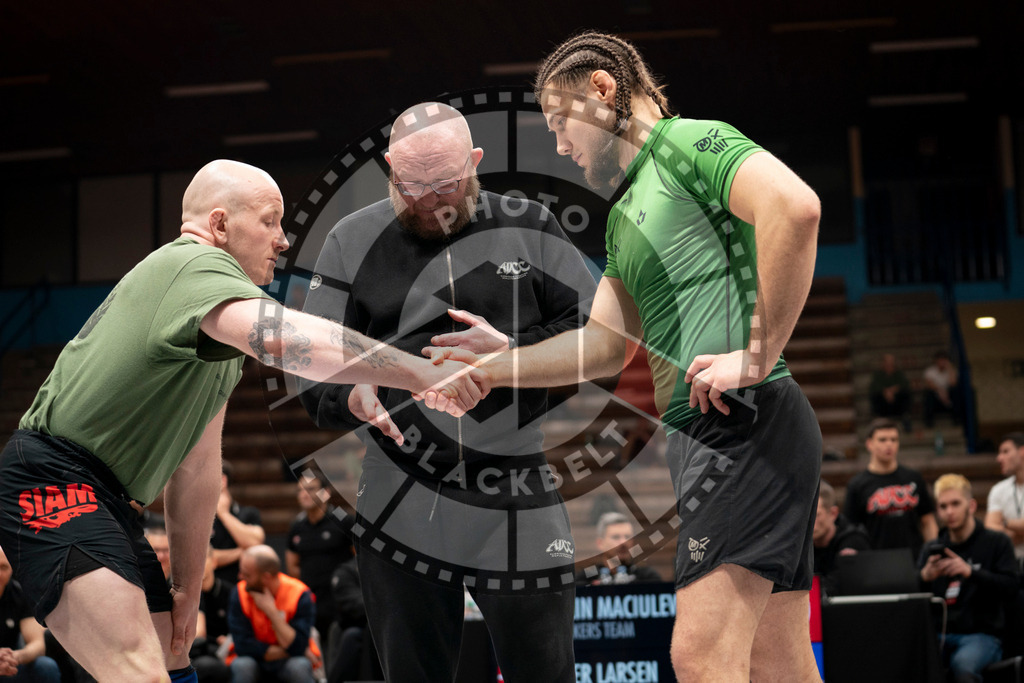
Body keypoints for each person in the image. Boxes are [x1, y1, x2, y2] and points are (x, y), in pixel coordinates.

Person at [0, 159, 485, 683]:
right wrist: (417, 371)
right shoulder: (191, 264)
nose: (283, 240)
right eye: (270, 220)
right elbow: (282, 339)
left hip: (112, 498)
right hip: (52, 480)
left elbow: (198, 466)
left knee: (173, 656)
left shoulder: (219, 340)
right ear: (218, 225)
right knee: (136, 670)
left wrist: (187, 585)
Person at [451, 30, 823, 682]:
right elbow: (601, 346)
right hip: (710, 433)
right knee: (777, 663)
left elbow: (794, 208)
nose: (560, 146)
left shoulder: (688, 143)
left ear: (603, 88)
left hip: (742, 421)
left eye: (561, 122)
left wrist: (758, 354)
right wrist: (498, 361)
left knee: (701, 657)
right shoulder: (624, 218)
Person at [299, 101, 595, 683]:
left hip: (513, 482)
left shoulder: (529, 223)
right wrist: (352, 391)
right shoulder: (349, 239)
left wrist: (509, 354)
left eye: (448, 183)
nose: (433, 198)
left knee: (547, 671)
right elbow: (308, 361)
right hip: (399, 490)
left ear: (475, 162)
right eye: (413, 185)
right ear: (389, 168)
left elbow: (595, 335)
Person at [919, 474, 1018, 682]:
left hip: (982, 634)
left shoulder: (996, 542)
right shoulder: (932, 548)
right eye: (943, 506)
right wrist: (924, 576)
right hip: (939, 635)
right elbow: (913, 595)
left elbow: (1011, 586)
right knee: (906, 660)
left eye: (955, 503)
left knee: (963, 667)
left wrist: (970, 572)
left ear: (971, 505)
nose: (949, 512)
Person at [844, 418, 938, 558]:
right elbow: (851, 531)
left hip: (913, 560)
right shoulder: (857, 485)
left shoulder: (914, 478)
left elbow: (928, 521)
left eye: (894, 440)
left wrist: (933, 552)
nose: (889, 444)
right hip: (876, 562)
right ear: (869, 444)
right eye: (882, 440)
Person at [226, 545, 317, 683]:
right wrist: (291, 650)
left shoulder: (300, 594)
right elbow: (243, 646)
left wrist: (272, 613)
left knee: (299, 666)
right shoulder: (239, 593)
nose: (240, 577)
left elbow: (299, 644)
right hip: (254, 661)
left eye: (247, 574)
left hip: (288, 663)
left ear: (266, 578)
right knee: (242, 665)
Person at [285, 475, 353, 648]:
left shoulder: (343, 520)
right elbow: (292, 565)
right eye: (300, 490)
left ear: (325, 493)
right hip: (311, 600)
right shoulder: (297, 526)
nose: (304, 494)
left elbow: (360, 559)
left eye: (310, 489)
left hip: (340, 600)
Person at [0, 547, 60, 683]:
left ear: (11, 570)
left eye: (3, 567)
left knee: (46, 667)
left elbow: (38, 645)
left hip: (8, 666)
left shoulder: (19, 594)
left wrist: (16, 657)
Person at [812, 479, 871, 595]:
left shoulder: (854, 541)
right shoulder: (801, 546)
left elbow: (841, 586)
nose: (810, 523)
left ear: (833, 513)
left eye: (817, 515)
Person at [211, 461, 265, 586]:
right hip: (212, 589)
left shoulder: (249, 513)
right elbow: (207, 558)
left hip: (245, 588)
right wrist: (244, 550)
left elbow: (256, 542)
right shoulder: (201, 518)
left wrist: (224, 514)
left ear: (222, 480)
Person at [576, 512, 663, 585]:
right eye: (616, 537)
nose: (623, 542)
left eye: (627, 537)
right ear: (600, 543)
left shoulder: (648, 578)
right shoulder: (585, 580)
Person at [984, 432, 1024, 565]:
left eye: (1005, 451)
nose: (999, 458)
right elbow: (990, 531)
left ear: (1022, 451)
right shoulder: (999, 490)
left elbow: (997, 528)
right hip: (1012, 565)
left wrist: (1005, 523)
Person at [868, 353, 912, 427]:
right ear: (883, 363)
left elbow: (904, 384)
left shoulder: (899, 373)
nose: (889, 364)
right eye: (887, 362)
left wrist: (892, 390)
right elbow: (875, 386)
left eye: (891, 361)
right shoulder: (878, 374)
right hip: (884, 402)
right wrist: (885, 392)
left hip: (896, 401)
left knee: (905, 393)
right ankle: (878, 417)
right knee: (875, 395)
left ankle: (905, 416)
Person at [923, 350, 963, 427]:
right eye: (940, 360)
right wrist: (941, 392)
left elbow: (953, 383)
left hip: (948, 397)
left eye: (944, 360)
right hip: (937, 397)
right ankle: (929, 421)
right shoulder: (930, 371)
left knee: (956, 392)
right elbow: (930, 385)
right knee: (929, 394)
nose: (942, 362)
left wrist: (950, 368)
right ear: (936, 361)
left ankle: (957, 418)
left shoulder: (951, 371)